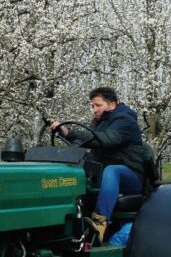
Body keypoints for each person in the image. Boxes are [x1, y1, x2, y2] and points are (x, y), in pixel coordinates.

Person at [51, 87, 146, 244]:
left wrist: (71, 132)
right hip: (104, 175)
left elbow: (106, 139)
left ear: (112, 104)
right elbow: (86, 141)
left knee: (111, 171)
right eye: (92, 106)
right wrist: (63, 135)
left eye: (98, 105)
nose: (94, 109)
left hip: (130, 175)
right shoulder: (99, 122)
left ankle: (99, 223)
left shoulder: (125, 120)